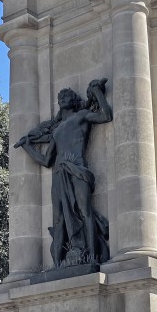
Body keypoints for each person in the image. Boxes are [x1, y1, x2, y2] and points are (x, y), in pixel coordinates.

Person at [15, 78, 113, 267]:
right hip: (59, 173)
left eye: (66, 96)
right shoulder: (57, 130)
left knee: (85, 211)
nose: (62, 98)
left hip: (77, 169)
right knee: (58, 218)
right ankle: (58, 263)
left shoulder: (82, 115)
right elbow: (46, 160)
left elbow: (105, 115)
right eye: (60, 97)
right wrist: (28, 147)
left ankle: (92, 255)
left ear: (74, 100)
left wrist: (97, 92)